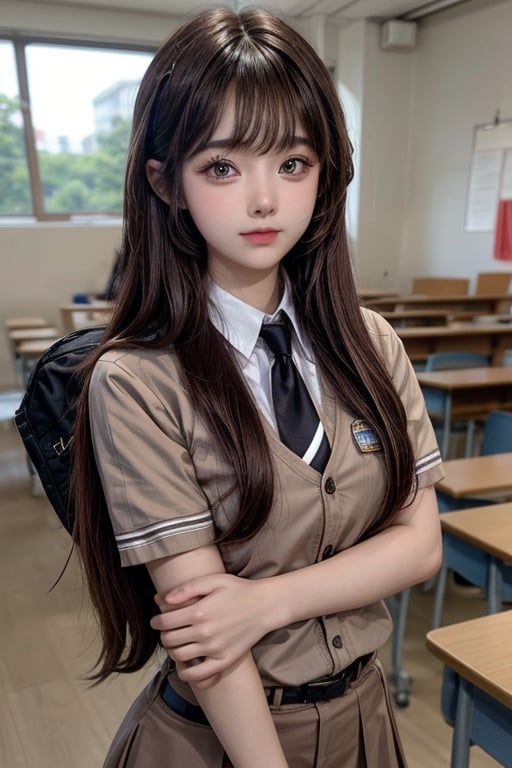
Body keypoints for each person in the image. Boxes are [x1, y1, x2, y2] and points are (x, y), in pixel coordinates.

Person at [71, 6, 444, 767]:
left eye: (293, 163)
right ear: (166, 181)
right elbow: (208, 636)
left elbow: (420, 544)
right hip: (223, 739)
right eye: (222, 167)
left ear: (325, 174)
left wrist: (266, 601)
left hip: (366, 719)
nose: (265, 199)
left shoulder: (371, 344)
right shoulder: (137, 380)